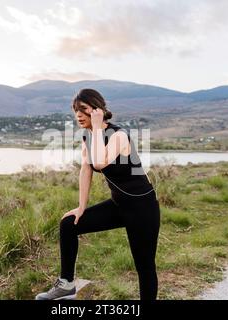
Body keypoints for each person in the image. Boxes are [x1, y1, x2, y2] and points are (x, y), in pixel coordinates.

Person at [35, 88, 161, 300]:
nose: (78, 115)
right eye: (75, 110)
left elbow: (101, 162)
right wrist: (81, 207)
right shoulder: (88, 136)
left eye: (83, 109)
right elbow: (86, 169)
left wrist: (96, 127)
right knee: (69, 224)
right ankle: (66, 284)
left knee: (144, 265)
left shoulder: (119, 135)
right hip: (118, 206)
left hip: (143, 208)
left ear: (97, 110)